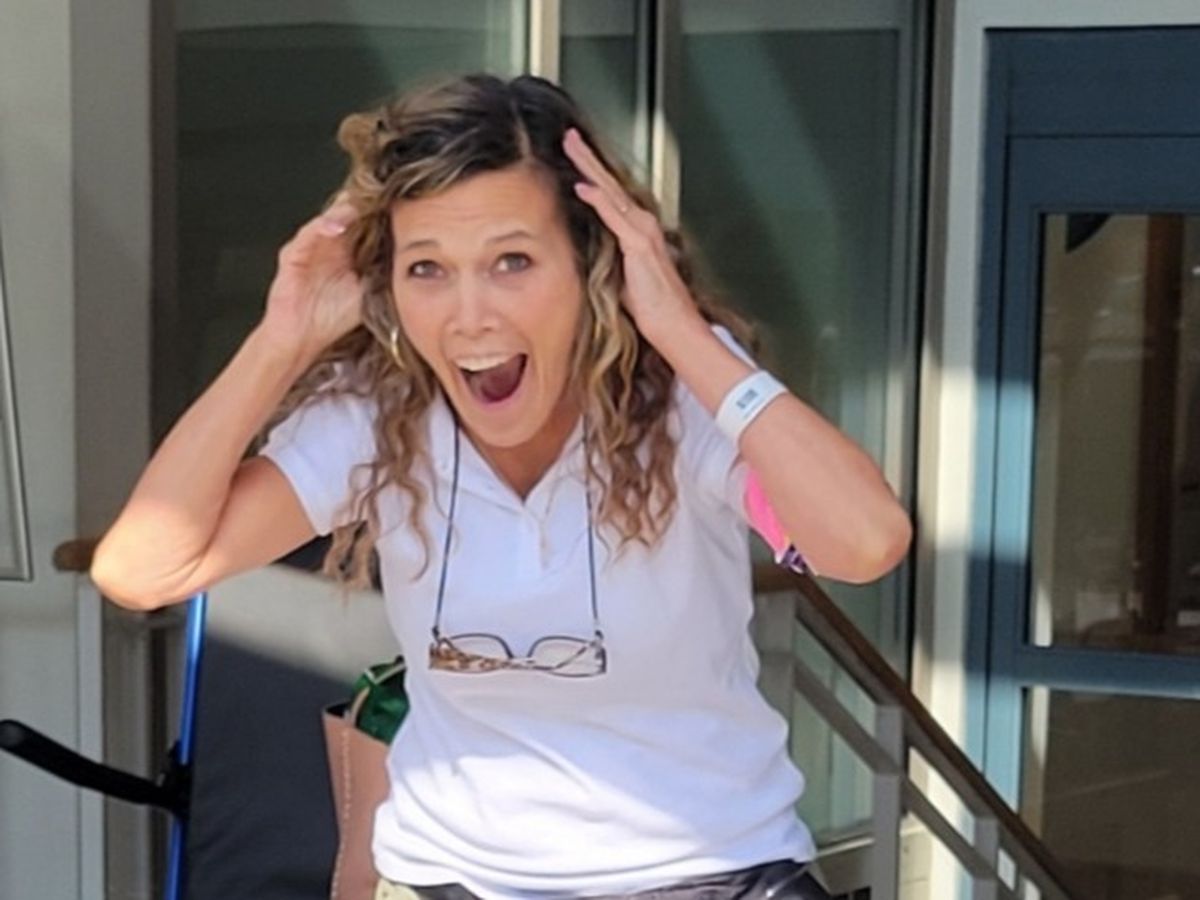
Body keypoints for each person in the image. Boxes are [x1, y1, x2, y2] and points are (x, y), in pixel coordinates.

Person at [91, 73, 911, 900]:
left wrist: (680, 331)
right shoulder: (379, 413)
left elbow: (864, 543)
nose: (469, 315)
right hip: (452, 881)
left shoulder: (683, 398)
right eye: (427, 268)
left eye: (512, 261)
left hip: (708, 874)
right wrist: (282, 339)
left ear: (593, 262)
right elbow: (143, 569)